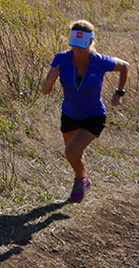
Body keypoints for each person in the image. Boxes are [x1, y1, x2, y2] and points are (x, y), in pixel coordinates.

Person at [42, 19, 129, 203]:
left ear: (91, 42)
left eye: (81, 48)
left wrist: (119, 93)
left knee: (71, 152)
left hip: (93, 116)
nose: (77, 52)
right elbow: (45, 91)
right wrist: (50, 80)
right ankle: (82, 178)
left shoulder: (100, 62)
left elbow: (125, 67)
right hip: (69, 115)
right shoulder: (61, 59)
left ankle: (79, 181)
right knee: (73, 154)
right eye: (74, 47)